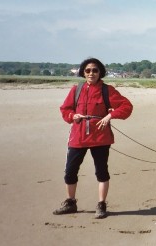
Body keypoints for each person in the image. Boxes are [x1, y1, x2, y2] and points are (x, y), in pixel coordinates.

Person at [55, 58, 133, 219]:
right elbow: (65, 109)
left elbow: (126, 107)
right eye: (88, 70)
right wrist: (72, 115)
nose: (91, 73)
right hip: (78, 136)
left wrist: (109, 116)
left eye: (95, 70)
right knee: (70, 171)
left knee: (101, 171)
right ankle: (70, 202)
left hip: (100, 137)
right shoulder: (76, 90)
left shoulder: (107, 90)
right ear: (83, 72)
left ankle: (101, 204)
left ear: (100, 72)